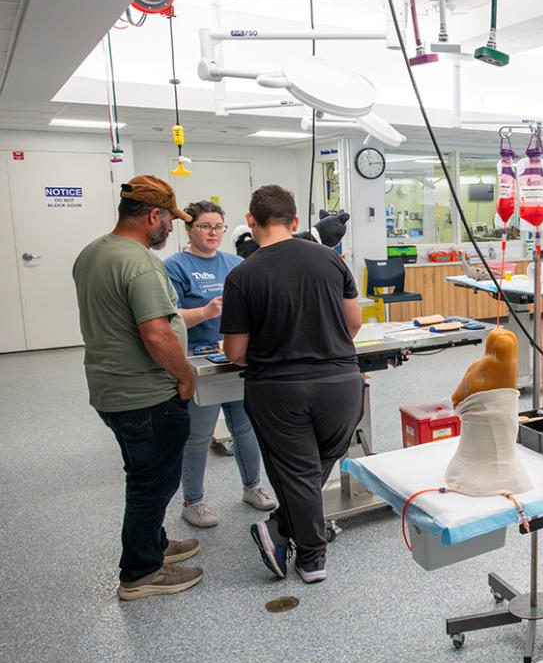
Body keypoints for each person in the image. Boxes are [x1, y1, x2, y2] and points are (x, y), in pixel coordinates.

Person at [221, 185, 363, 584]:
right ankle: (281, 529)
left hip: (279, 389)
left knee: (298, 472)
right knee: (316, 466)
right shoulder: (332, 261)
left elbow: (235, 352)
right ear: (296, 221)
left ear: (250, 221)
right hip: (342, 384)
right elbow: (353, 323)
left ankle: (308, 556)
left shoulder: (242, 275)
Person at [73, 175, 203, 601]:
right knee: (153, 484)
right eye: (170, 221)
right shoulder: (142, 262)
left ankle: (155, 544)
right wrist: (185, 375)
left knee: (143, 473)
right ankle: (141, 572)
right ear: (153, 216)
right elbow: (156, 334)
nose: (171, 229)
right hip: (146, 395)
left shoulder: (93, 253)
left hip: (110, 390)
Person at [164, 200, 277, 528]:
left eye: (218, 227)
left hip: (235, 355)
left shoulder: (234, 262)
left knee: (245, 428)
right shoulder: (175, 266)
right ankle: (193, 502)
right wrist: (205, 313)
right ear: (189, 229)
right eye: (204, 226)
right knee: (198, 436)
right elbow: (169, 317)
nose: (212, 233)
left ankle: (252, 486)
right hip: (198, 361)